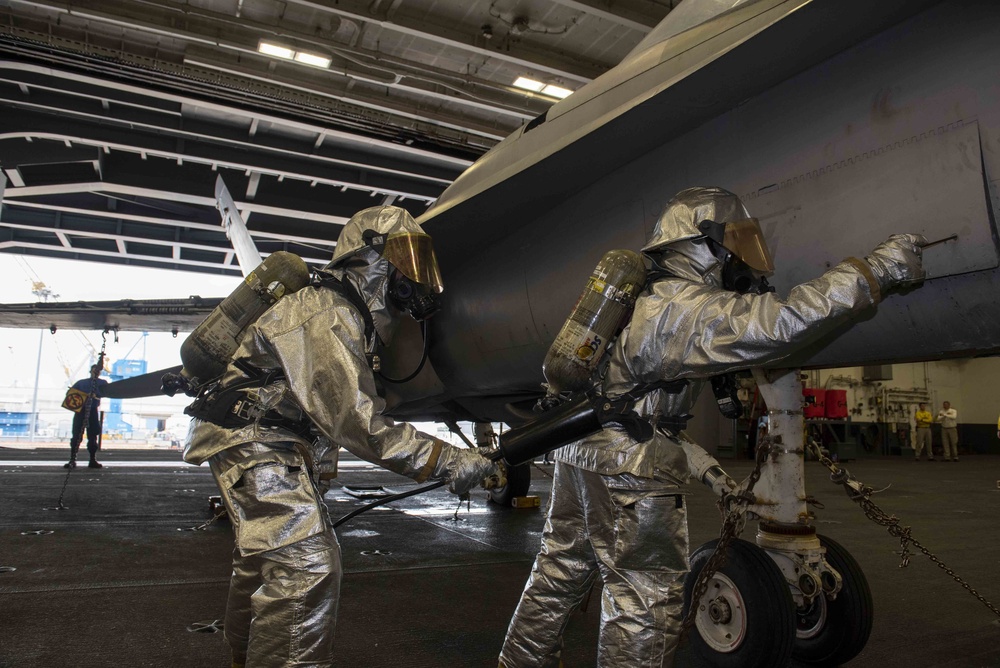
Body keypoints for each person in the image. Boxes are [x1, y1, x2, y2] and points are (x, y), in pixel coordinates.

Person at [498, 186, 925, 668]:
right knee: (645, 601)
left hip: (583, 455)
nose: (740, 258)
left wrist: (711, 474)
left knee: (557, 575)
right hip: (631, 474)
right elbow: (781, 326)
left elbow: (647, 413)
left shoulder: (641, 299)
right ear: (702, 243)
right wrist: (874, 272)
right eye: (734, 242)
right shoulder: (684, 304)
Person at [183, 206, 499, 668]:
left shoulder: (343, 314)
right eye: (404, 257)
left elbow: (322, 413)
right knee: (306, 565)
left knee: (266, 561)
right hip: (256, 439)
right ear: (368, 257)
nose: (416, 273)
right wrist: (448, 460)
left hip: (257, 439)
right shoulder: (328, 312)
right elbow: (355, 420)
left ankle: (244, 657)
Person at [64, 364, 110, 469]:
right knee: (77, 436)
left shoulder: (93, 383)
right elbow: (70, 394)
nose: (96, 373)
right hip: (81, 411)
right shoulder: (85, 383)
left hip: (90, 411)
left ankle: (90, 459)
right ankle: (74, 459)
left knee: (92, 436)